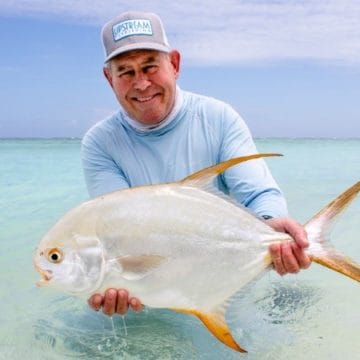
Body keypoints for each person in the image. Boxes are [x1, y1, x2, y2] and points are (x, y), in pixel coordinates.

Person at [81, 11, 311, 316]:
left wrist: (272, 228)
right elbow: (115, 229)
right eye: (125, 72)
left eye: (150, 67)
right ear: (109, 78)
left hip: (223, 282)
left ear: (174, 64)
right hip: (148, 293)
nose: (141, 84)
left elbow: (257, 194)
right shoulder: (99, 143)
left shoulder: (218, 118)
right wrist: (110, 279)